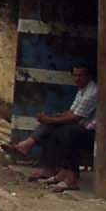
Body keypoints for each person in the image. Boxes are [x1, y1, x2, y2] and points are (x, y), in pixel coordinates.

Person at [33, 63, 99, 192]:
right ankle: (59, 171)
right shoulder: (81, 90)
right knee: (57, 129)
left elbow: (76, 117)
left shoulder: (93, 91)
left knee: (69, 132)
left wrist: (51, 119)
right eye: (75, 75)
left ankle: (72, 178)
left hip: (95, 132)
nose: (77, 78)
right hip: (84, 126)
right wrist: (52, 119)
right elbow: (71, 111)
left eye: (81, 75)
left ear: (89, 76)